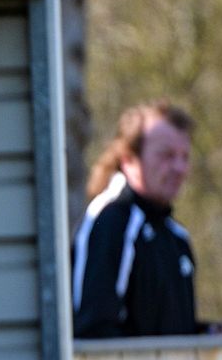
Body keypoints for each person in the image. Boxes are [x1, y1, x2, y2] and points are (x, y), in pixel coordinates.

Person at [72, 100, 203, 338]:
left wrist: (211, 335)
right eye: (166, 155)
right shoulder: (111, 221)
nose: (179, 168)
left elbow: (172, 334)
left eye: (185, 157)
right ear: (129, 159)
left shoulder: (177, 237)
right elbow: (93, 330)